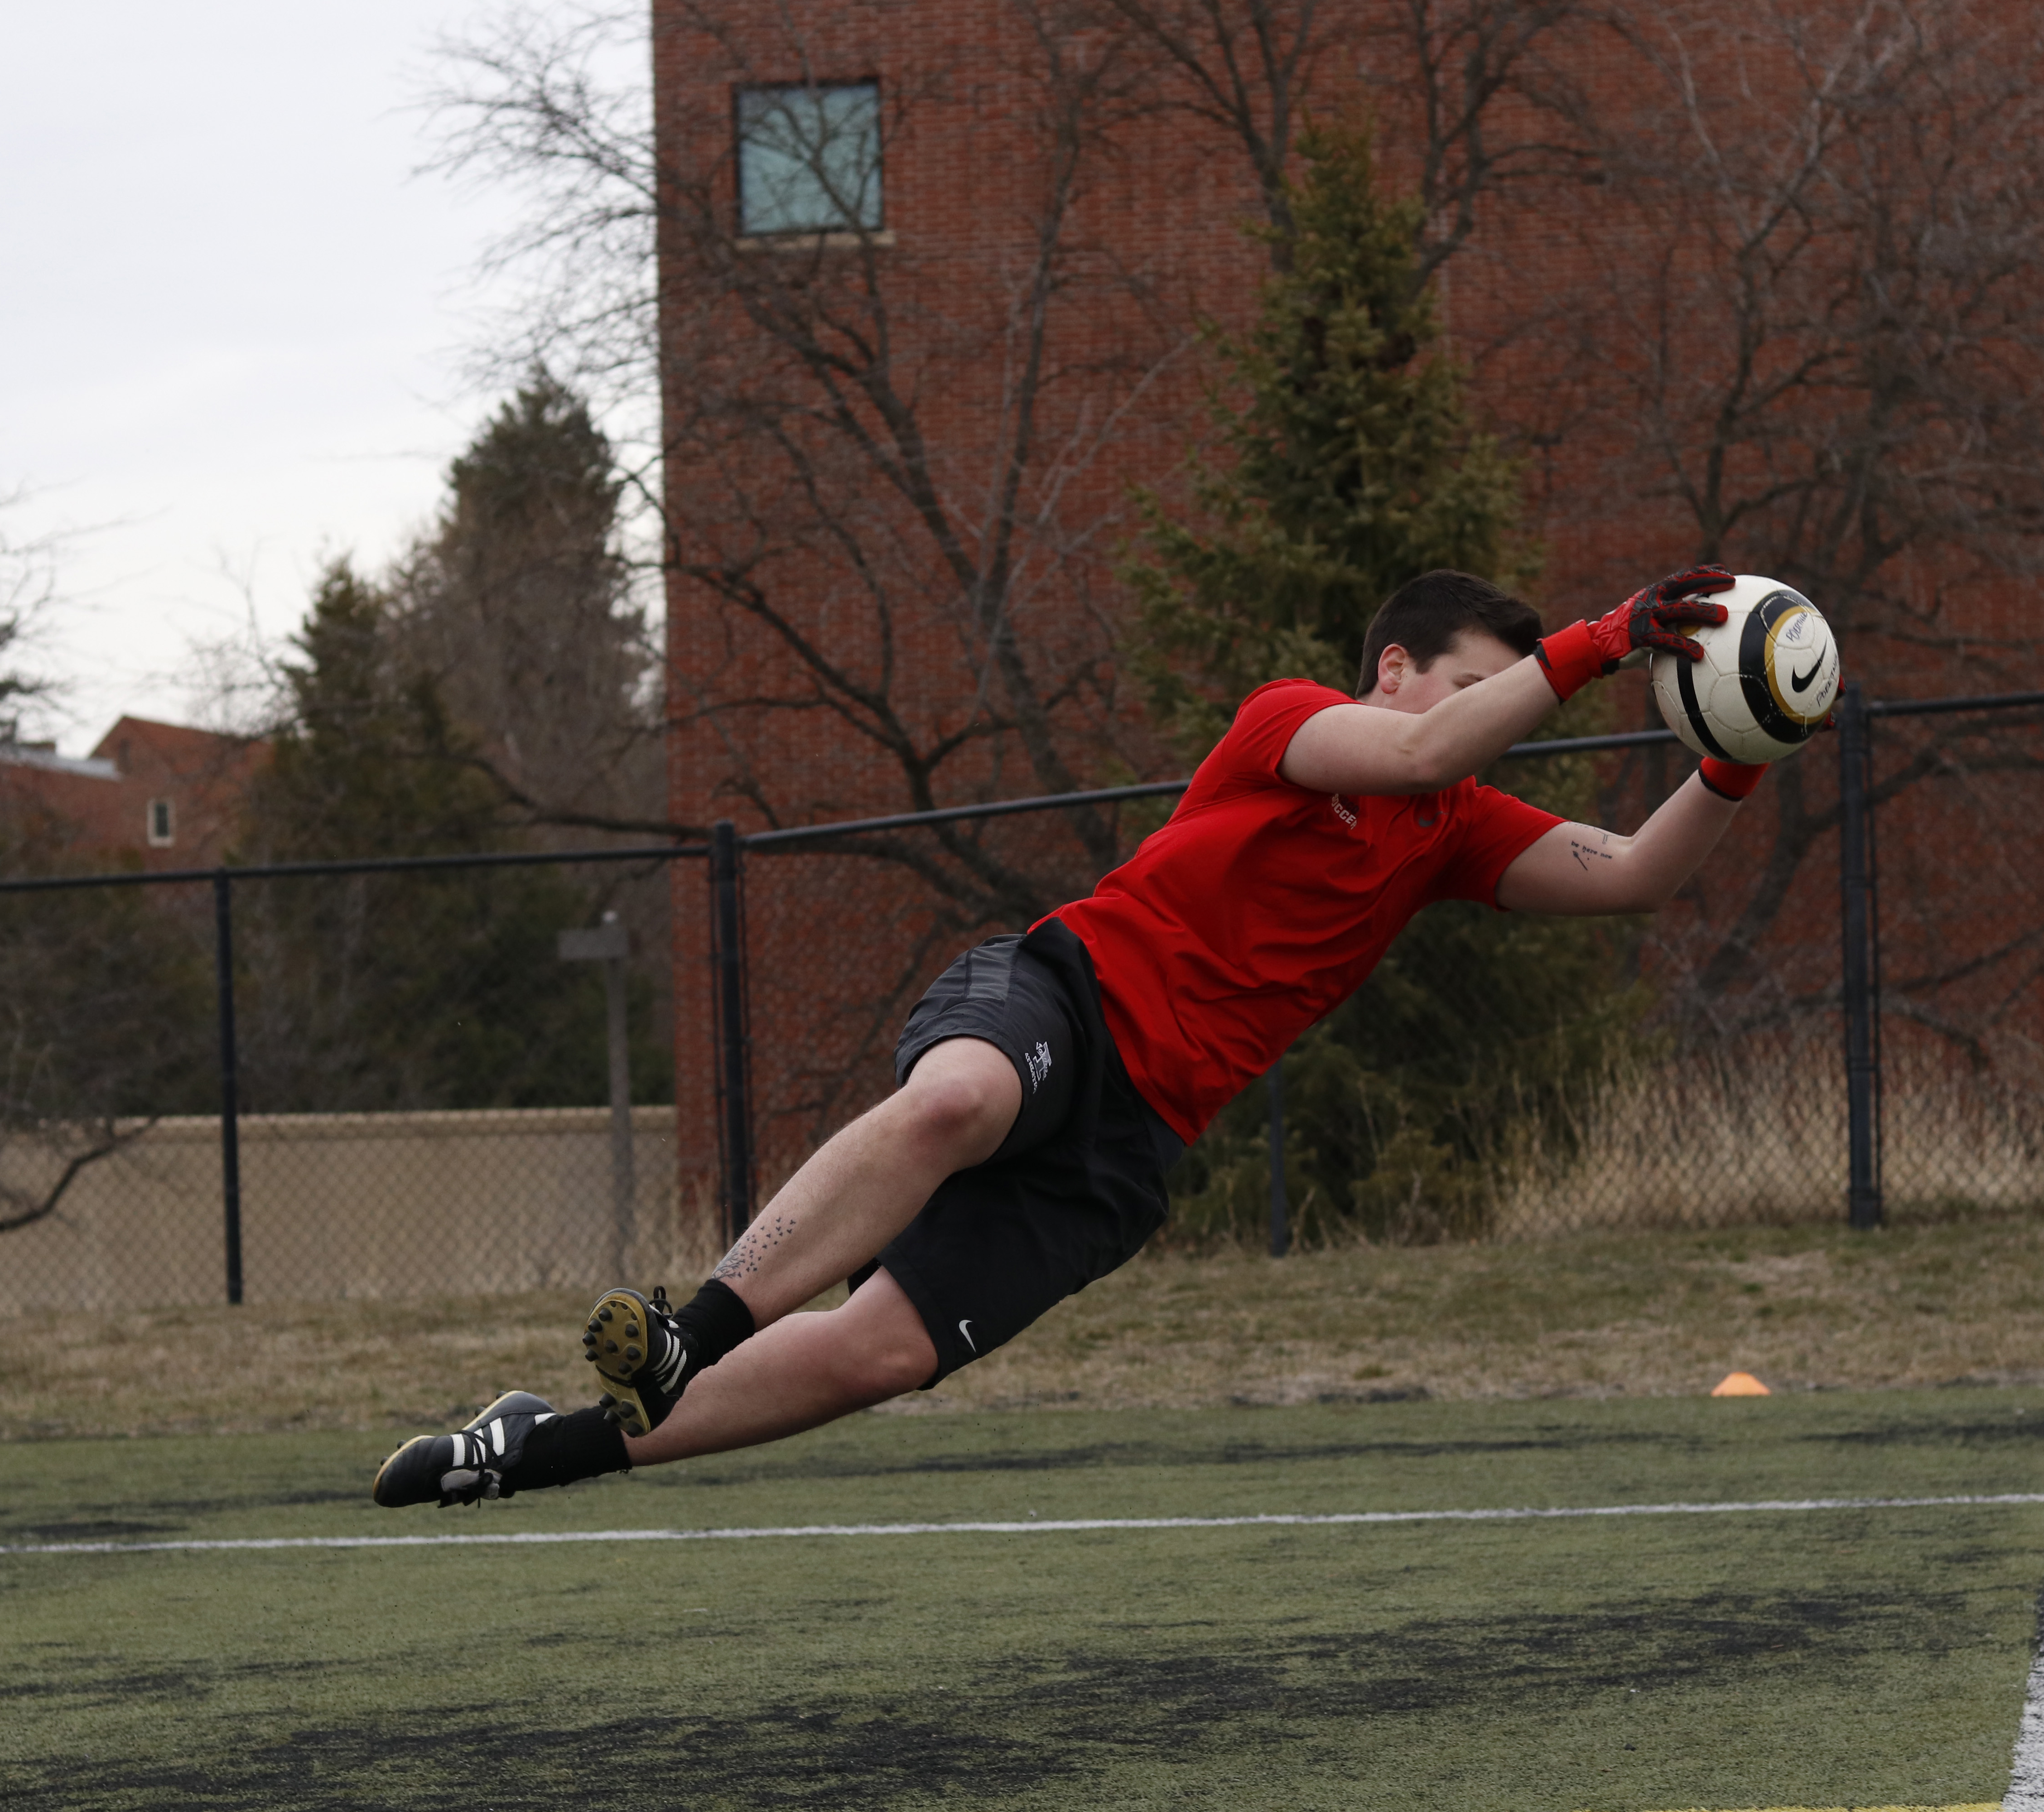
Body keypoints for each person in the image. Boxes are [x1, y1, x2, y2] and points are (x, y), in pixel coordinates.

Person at [374, 565, 1773, 1508]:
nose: (1488, 722)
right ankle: (692, 1330)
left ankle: (533, 1448)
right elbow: (1413, 752)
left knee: (882, 1357)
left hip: (1136, 1143)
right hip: (1068, 996)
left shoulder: (1455, 830)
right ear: (1395, 669)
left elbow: (1637, 872)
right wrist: (1597, 642)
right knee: (955, 1103)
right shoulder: (1299, 721)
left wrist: (1736, 752)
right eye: (1477, 685)